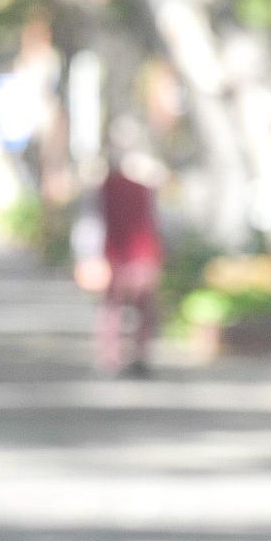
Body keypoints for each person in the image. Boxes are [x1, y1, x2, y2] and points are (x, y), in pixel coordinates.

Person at [94, 152, 164, 377]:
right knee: (141, 308)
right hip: (139, 254)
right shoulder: (144, 190)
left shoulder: (107, 189)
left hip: (118, 254)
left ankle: (111, 356)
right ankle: (138, 354)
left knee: (113, 307)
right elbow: (156, 220)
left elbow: (94, 219)